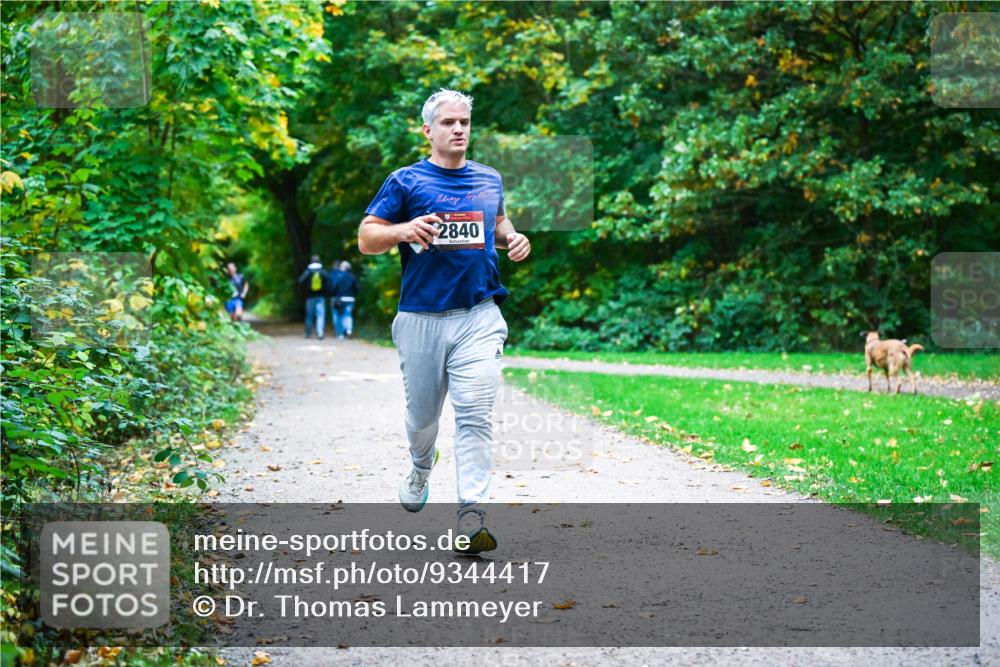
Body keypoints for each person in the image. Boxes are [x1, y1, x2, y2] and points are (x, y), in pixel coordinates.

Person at [357, 88, 530, 554]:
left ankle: (471, 517)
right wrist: (402, 230)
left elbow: (498, 223)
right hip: (421, 319)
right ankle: (420, 463)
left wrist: (513, 238)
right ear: (427, 130)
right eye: (449, 122)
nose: (459, 130)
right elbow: (366, 238)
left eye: (465, 122)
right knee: (422, 418)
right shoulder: (406, 181)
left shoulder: (489, 179)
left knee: (474, 414)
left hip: (479, 314)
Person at [297, 255, 329, 339]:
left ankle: (307, 333)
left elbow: (300, 281)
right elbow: (328, 282)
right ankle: (320, 333)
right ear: (319, 261)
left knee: (309, 316)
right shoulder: (322, 271)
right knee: (320, 315)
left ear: (311, 261)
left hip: (310, 297)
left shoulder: (308, 271)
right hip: (320, 297)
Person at [330, 260, 358, 339]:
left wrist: (333, 294)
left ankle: (341, 334)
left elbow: (334, 287)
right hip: (350, 299)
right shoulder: (352, 276)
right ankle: (349, 330)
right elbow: (357, 288)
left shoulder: (339, 276)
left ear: (343, 267)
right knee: (348, 315)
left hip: (341, 299)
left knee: (340, 316)